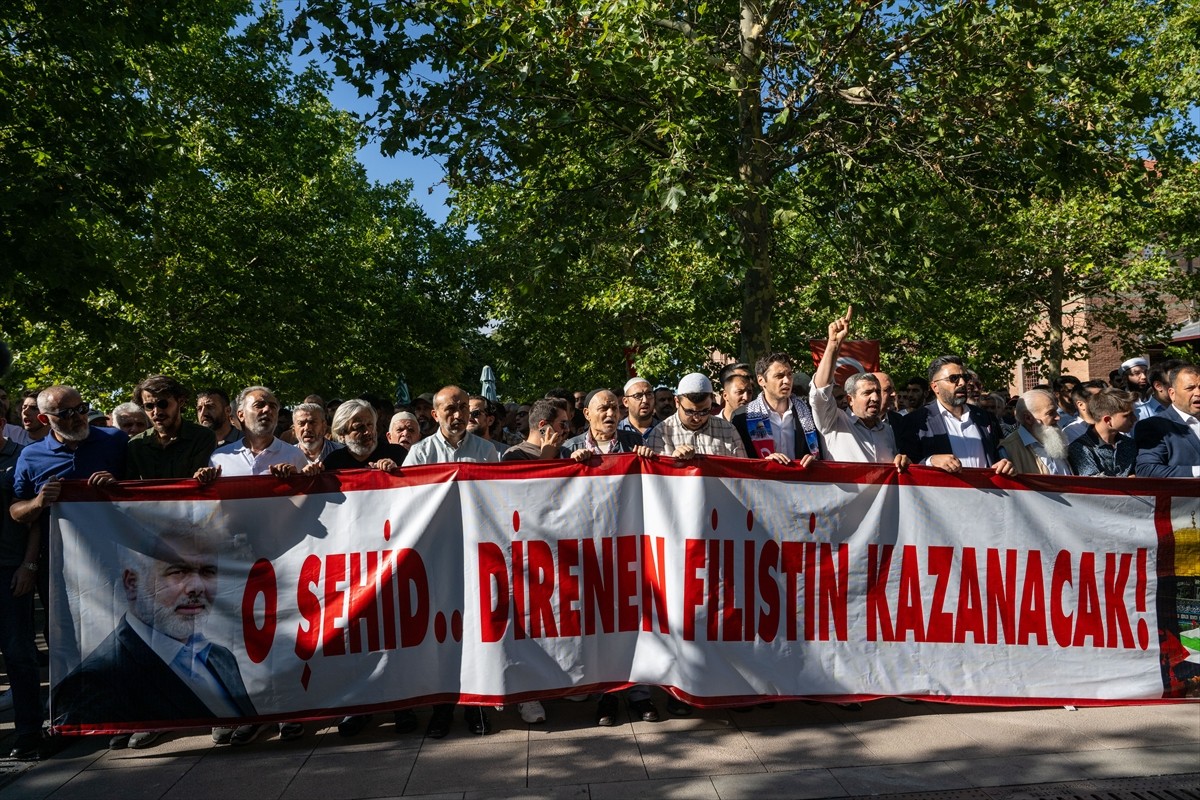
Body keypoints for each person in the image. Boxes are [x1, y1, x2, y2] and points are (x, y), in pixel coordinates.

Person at [51, 520, 256, 727]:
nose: (196, 587)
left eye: (208, 572)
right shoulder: (94, 682)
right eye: (177, 572)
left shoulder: (221, 659)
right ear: (132, 584)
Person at [402, 386, 498, 737]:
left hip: (475, 556)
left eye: (463, 408)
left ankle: (476, 706)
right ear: (434, 413)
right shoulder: (419, 453)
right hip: (434, 557)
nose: (457, 415)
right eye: (449, 409)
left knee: (475, 630)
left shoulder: (487, 452)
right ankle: (442, 708)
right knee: (440, 633)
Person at [809, 308, 907, 470]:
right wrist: (833, 344)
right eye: (867, 393)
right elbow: (820, 391)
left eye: (877, 391)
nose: (875, 398)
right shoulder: (834, 422)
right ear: (850, 399)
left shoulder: (887, 431)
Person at [0, 423, 43, 759]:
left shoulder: (21, 457)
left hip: (10, 569)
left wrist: (28, 565)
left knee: (19, 652)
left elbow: (33, 517)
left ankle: (29, 731)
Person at [895, 356, 1013, 475]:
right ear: (935, 387)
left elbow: (998, 456)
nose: (962, 383)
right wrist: (930, 461)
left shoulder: (985, 418)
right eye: (953, 378)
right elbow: (907, 466)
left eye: (965, 377)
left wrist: (1004, 464)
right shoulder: (916, 421)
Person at [201, 387, 312, 482]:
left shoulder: (294, 455)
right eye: (259, 405)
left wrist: (296, 479)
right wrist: (202, 481)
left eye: (273, 406)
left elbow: (307, 500)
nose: (267, 410)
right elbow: (212, 503)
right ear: (241, 415)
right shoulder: (220, 457)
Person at [731, 353, 820, 466]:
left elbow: (819, 453)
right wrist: (764, 463)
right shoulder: (741, 417)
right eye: (779, 376)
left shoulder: (808, 412)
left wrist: (815, 460)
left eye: (789, 374)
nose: (787, 380)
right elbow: (737, 464)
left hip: (801, 482)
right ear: (761, 380)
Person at [126, 375, 217, 482]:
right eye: (149, 406)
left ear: (181, 401)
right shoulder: (136, 445)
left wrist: (203, 475)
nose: (156, 412)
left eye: (163, 404)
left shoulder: (202, 437)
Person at [643, 373, 747, 460]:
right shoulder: (660, 434)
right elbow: (656, 478)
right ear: (677, 402)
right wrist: (672, 464)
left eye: (704, 411)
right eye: (690, 411)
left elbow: (743, 475)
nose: (697, 418)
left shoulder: (728, 430)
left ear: (712, 400)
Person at [1133, 363, 1200, 478]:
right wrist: (1197, 472)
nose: (1198, 393)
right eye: (1190, 388)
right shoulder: (1154, 426)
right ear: (1172, 394)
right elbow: (1147, 470)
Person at [998, 389, 1073, 475]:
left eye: (1056, 411)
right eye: (1051, 413)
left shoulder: (1058, 438)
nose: (1058, 417)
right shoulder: (1009, 450)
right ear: (1028, 418)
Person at [1068, 387, 1136, 477]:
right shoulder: (1081, 448)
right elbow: (1094, 485)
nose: (1134, 419)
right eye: (1127, 416)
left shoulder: (1129, 444)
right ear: (1108, 420)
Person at [324, 400, 408, 470]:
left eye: (370, 425)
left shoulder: (397, 454)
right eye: (359, 427)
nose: (367, 432)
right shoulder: (333, 462)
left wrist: (397, 471)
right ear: (342, 433)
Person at [502, 398, 570, 461]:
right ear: (543, 425)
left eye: (567, 424)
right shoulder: (515, 454)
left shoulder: (565, 451)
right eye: (563, 424)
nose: (567, 429)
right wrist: (546, 457)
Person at [618, 378, 658, 442]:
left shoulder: (666, 429)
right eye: (638, 396)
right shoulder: (616, 432)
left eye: (649, 394)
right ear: (625, 402)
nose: (645, 400)